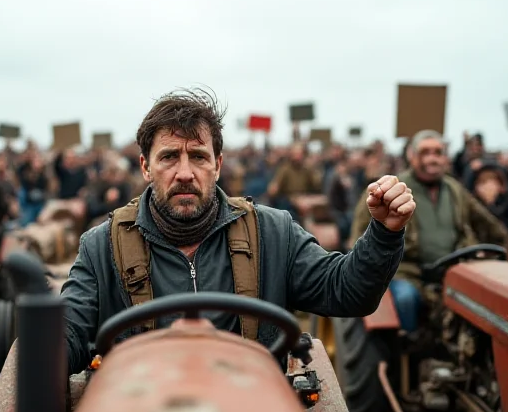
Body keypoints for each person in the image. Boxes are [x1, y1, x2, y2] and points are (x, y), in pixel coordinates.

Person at [60, 89, 415, 376]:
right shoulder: (101, 246)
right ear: (145, 167)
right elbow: (70, 332)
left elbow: (348, 292)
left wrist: (384, 232)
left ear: (217, 165)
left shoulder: (272, 233)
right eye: (169, 157)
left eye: (198, 157)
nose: (185, 172)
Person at [350, 129, 507, 334]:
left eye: (438, 153)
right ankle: (407, 354)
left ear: (445, 158)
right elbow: (358, 238)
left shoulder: (455, 190)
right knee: (406, 299)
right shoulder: (390, 189)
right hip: (406, 273)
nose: (432, 159)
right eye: (425, 152)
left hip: (454, 271)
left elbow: (490, 226)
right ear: (411, 156)